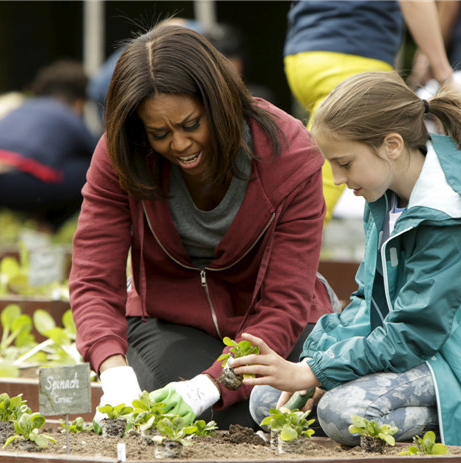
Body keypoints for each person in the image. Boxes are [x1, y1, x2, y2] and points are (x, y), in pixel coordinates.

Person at [229, 71, 461, 448]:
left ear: (392, 145)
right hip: (424, 353)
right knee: (268, 401)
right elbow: (367, 300)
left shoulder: (455, 208)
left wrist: (316, 372)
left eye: (344, 163)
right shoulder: (384, 192)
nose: (338, 179)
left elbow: (415, 330)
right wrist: (315, 361)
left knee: (343, 413)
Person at [68, 24, 335, 430]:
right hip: (172, 323)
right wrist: (113, 371)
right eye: (159, 133)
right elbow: (93, 276)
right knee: (211, 419)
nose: (179, 145)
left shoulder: (289, 153)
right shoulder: (121, 154)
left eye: (191, 124)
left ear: (220, 103)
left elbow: (284, 301)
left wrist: (212, 384)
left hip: (277, 326)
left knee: (284, 409)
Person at [283, 0, 461, 225]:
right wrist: (445, 76)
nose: (339, 179)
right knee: (317, 197)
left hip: (301, 56)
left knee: (320, 167)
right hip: (354, 54)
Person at [0, 59, 98, 230]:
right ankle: (47, 228)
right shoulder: (66, 113)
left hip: (1, 179)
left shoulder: (23, 107)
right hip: (20, 181)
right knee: (91, 171)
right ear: (80, 102)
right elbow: (100, 154)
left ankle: (40, 226)